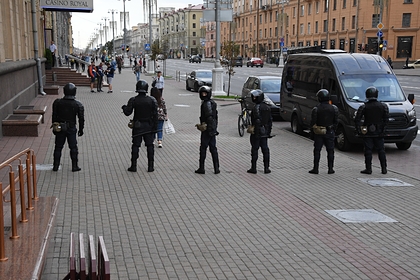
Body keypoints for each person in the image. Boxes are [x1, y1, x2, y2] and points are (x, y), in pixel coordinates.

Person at [122, 80, 158, 172]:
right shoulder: (152, 100)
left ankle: (133, 166)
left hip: (137, 126)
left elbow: (127, 113)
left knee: (135, 145)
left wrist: (124, 107)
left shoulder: (133, 100)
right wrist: (155, 128)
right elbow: (155, 115)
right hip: (149, 126)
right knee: (150, 146)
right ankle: (151, 166)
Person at [354, 86, 389, 174]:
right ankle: (384, 169)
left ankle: (368, 168)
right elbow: (386, 120)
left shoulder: (364, 107)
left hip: (368, 131)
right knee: (381, 150)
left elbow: (357, 120)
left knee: (368, 151)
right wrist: (383, 131)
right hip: (379, 132)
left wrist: (360, 131)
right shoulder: (383, 106)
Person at [51, 83, 85, 172]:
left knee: (58, 147)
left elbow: (54, 116)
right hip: (71, 128)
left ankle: (55, 166)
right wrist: (81, 129)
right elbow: (81, 119)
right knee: (73, 147)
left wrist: (54, 127)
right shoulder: (77, 104)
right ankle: (74, 166)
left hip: (60, 127)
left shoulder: (57, 102)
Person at [309, 89, 339, 174]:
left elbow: (313, 122)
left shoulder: (316, 109)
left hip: (319, 132)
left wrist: (312, 133)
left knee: (317, 150)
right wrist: (332, 129)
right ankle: (330, 168)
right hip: (330, 132)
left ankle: (315, 168)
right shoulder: (334, 108)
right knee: (330, 150)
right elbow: (336, 121)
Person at [195, 86, 220, 174]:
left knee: (203, 148)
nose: (203, 95)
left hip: (207, 131)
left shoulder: (206, 104)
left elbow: (209, 117)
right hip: (212, 130)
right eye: (202, 93)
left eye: (205, 93)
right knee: (213, 149)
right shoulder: (212, 103)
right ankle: (216, 168)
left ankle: (202, 167)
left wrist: (208, 129)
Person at [247, 89, 273, 174]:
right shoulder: (267, 107)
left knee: (255, 149)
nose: (254, 98)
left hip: (257, 132)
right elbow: (270, 121)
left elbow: (257, 120)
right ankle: (266, 168)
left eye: (255, 97)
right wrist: (268, 132)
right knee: (265, 150)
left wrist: (256, 133)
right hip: (264, 132)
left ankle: (253, 168)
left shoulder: (256, 107)